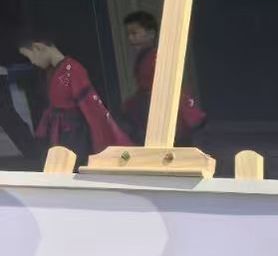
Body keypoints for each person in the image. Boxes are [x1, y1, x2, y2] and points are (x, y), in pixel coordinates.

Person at [15, 28, 130, 158]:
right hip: (62, 133)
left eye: (30, 57)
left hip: (76, 134)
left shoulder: (72, 69)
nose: (33, 62)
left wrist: (102, 137)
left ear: (38, 47)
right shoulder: (53, 71)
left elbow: (91, 106)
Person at [121, 10, 208, 144]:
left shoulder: (157, 58)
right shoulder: (144, 57)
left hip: (164, 111)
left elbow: (168, 87)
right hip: (149, 108)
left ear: (151, 34)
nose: (131, 38)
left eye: (134, 33)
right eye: (128, 35)